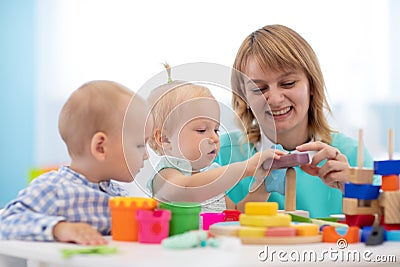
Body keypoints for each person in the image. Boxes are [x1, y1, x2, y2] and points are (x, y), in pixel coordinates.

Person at [215, 24, 380, 217]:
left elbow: (385, 230)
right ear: (244, 96)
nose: (275, 99)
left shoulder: (352, 156)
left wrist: (353, 190)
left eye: (288, 83)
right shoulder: (219, 155)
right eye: (259, 88)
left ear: (312, 85)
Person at [0, 80, 153, 245]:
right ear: (101, 147)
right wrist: (59, 229)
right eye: (139, 145)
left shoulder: (118, 195)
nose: (146, 155)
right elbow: (6, 222)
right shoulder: (54, 189)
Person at [147, 64, 285, 212]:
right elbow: (189, 191)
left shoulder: (211, 175)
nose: (214, 137)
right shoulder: (165, 176)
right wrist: (245, 169)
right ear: (164, 139)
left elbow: (236, 214)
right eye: (201, 130)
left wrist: (263, 185)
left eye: (216, 130)